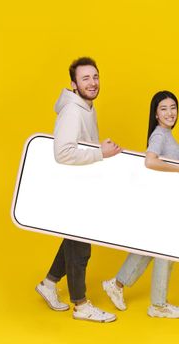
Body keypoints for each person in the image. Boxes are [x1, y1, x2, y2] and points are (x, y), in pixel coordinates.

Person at [102, 90, 179, 318]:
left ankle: (116, 285)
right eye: (164, 109)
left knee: (149, 250)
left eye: (173, 107)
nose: (170, 113)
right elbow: (150, 161)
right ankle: (158, 305)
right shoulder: (159, 135)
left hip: (163, 203)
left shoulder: (166, 134)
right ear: (156, 115)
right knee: (165, 252)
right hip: (160, 206)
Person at [36, 57, 121, 323]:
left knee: (73, 242)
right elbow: (62, 153)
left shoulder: (86, 106)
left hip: (81, 189)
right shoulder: (72, 111)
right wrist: (100, 153)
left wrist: (98, 146)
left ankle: (49, 284)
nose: (93, 83)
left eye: (95, 77)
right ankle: (81, 305)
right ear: (74, 84)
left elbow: (81, 144)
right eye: (86, 78)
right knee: (80, 248)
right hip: (71, 191)